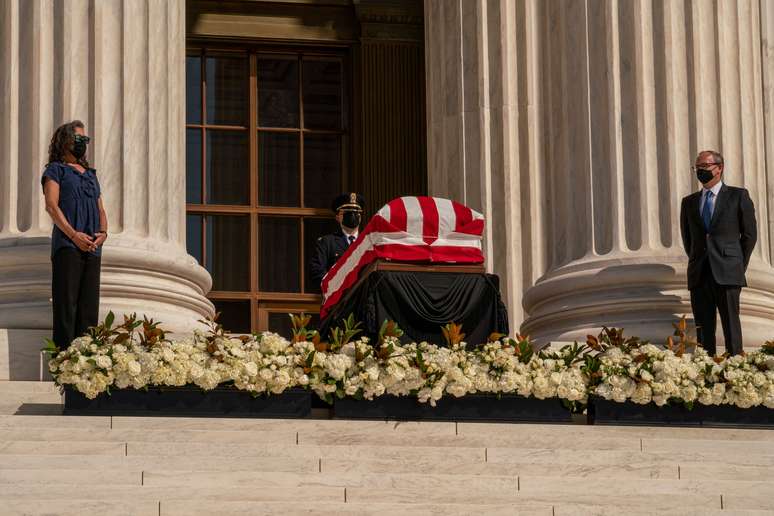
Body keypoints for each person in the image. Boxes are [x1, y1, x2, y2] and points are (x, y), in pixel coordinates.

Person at [679, 150, 757, 356]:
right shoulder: (688, 202)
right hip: (700, 273)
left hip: (728, 272)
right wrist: (698, 259)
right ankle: (706, 371)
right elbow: (689, 240)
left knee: (731, 325)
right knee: (703, 330)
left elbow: (749, 236)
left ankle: (736, 368)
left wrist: (737, 264)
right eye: (697, 167)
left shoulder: (738, 195)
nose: (700, 171)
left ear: (719, 168)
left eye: (704, 166)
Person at [41, 121, 108, 351]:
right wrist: (73, 235)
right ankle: (64, 363)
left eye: (85, 140)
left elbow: (100, 208)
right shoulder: (55, 170)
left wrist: (104, 233)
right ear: (66, 141)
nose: (83, 144)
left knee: (89, 306)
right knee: (66, 305)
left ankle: (87, 362)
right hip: (68, 245)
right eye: (80, 139)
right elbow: (51, 206)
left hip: (92, 245)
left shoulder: (91, 174)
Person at [309, 192, 365, 289]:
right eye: (347, 212)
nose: (352, 215)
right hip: (338, 299)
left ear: (360, 217)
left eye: (356, 212)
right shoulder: (326, 243)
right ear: (338, 217)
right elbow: (316, 272)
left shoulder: (368, 242)